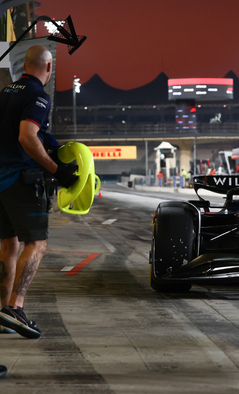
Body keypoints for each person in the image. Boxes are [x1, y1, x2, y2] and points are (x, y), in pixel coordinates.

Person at [0, 45, 78, 339]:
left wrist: (53, 146)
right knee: (37, 243)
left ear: (25, 65)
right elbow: (27, 136)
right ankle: (15, 308)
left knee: (9, 244)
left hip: (0, 182)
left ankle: (2, 313)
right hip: (20, 181)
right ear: (48, 68)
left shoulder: (5, 93)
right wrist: (57, 170)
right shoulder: (37, 96)